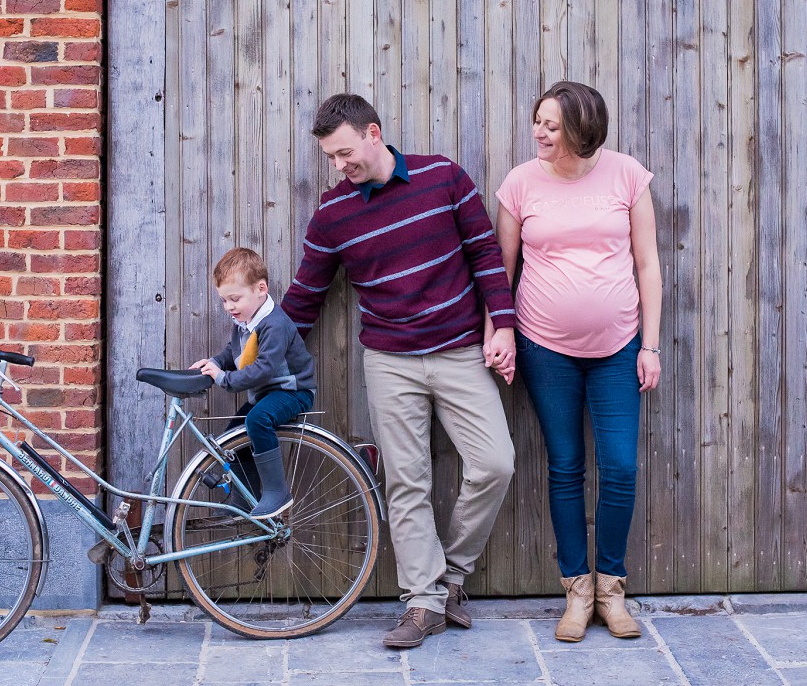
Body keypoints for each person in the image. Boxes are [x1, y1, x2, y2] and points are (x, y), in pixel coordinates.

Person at [281, 93, 517, 649]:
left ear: (373, 133)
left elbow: (486, 254)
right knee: (407, 483)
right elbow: (304, 299)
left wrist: (502, 325)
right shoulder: (333, 215)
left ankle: (451, 577)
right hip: (390, 362)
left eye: (344, 153)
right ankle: (424, 602)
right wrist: (239, 355)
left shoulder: (443, 178)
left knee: (495, 464)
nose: (340, 166)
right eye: (331, 158)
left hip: (461, 351)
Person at [493, 81, 662, 642]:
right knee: (565, 467)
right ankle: (576, 591)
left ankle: (610, 587)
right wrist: (503, 335)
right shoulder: (520, 184)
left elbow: (647, 265)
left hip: (618, 348)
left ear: (581, 129)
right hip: (545, 349)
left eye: (551, 124)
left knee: (620, 467)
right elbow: (502, 274)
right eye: (537, 120)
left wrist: (651, 344)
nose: (538, 132)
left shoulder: (626, 175)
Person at [191, 247, 317, 519]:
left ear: (261, 289)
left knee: (258, 420)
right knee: (234, 435)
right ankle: (245, 497)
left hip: (293, 391)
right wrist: (211, 362)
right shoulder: (244, 322)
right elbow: (232, 353)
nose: (229, 308)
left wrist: (224, 379)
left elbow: (263, 369)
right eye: (224, 301)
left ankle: (277, 492)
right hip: (267, 395)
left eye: (234, 299)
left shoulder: (274, 324)